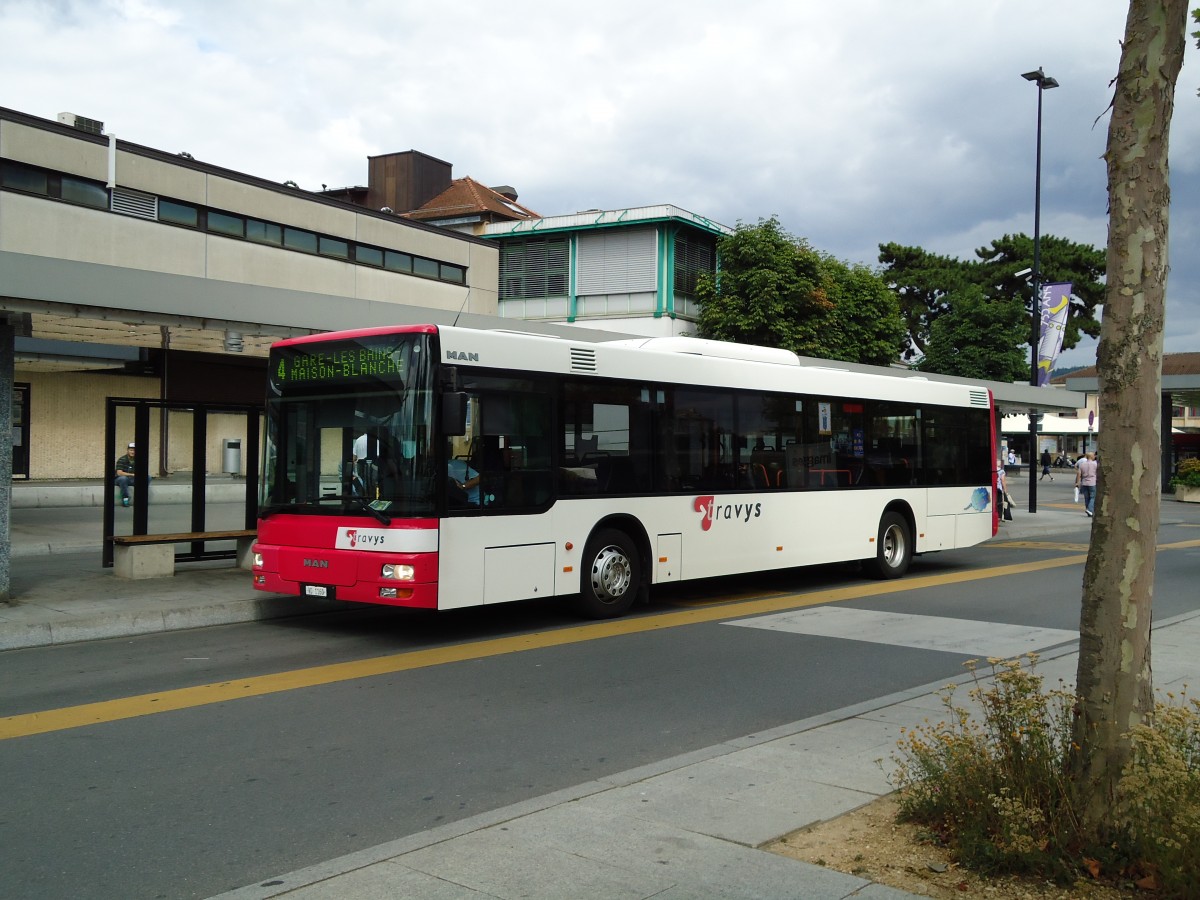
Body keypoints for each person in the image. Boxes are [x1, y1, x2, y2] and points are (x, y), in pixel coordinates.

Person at [114, 441, 140, 507]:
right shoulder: (122, 459)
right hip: (120, 479)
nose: (133, 452)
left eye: (134, 450)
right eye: (131, 450)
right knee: (123, 479)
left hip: (133, 479)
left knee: (148, 477)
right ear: (128, 450)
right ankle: (125, 499)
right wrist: (132, 475)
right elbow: (119, 473)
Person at [1075, 450, 1098, 517]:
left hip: (1084, 482)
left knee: (1086, 497)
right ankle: (1090, 510)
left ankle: (1088, 511)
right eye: (1093, 455)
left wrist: (1077, 482)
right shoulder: (1095, 464)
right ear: (1091, 457)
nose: (1094, 457)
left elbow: (1079, 474)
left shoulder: (1082, 464)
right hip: (1092, 482)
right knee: (1093, 497)